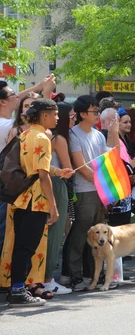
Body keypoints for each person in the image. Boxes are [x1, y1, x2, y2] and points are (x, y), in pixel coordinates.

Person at [0, 99, 73, 306]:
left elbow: (36, 167)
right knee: (26, 247)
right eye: (55, 114)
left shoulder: (26, 134)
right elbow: (42, 175)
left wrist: (59, 171)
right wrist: (54, 206)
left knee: (21, 246)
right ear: (44, 115)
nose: (57, 118)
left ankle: (17, 288)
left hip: (20, 199)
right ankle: (17, 290)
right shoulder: (42, 138)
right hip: (35, 201)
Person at [67, 95, 118, 291]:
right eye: (94, 111)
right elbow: (81, 166)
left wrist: (114, 133)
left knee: (99, 237)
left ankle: (93, 276)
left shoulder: (98, 134)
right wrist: (100, 183)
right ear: (82, 114)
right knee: (81, 233)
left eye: (98, 111)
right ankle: (73, 276)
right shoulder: (73, 134)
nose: (97, 114)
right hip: (84, 191)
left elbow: (111, 157)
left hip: (99, 190)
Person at [43, 102, 76, 295]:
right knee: (56, 233)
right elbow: (68, 169)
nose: (74, 119)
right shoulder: (59, 139)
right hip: (57, 184)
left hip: (44, 184)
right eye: (71, 116)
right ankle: (48, 279)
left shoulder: (45, 135)